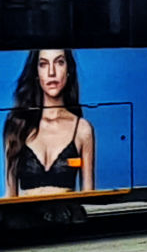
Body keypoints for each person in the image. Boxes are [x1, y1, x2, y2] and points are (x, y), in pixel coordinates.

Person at [3, 49, 96, 199]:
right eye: (43, 64)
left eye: (59, 62)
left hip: (69, 219)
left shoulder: (82, 129)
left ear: (68, 70)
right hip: (27, 220)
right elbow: (10, 195)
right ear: (36, 72)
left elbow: (90, 198)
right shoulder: (16, 125)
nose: (51, 72)